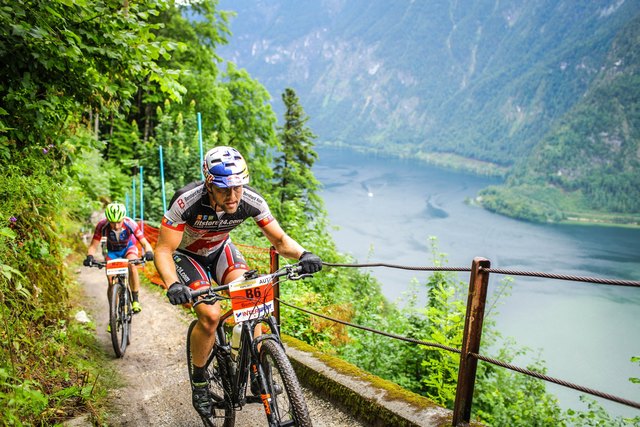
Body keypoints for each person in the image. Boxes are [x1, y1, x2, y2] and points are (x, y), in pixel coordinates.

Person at [153, 146, 322, 418]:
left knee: (253, 301)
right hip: (187, 256)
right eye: (224, 190)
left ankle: (257, 370)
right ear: (209, 184)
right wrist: (173, 284)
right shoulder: (186, 201)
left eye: (238, 188)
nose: (233, 197)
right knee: (210, 315)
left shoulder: (251, 200)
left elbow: (279, 240)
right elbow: (162, 250)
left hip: (222, 251)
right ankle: (199, 381)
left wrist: (304, 254)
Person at [83, 202, 154, 315]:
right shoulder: (102, 225)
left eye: (119, 222)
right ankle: (113, 313)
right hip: (112, 252)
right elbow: (93, 245)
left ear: (123, 218)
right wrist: (89, 256)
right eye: (112, 222)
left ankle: (135, 300)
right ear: (107, 220)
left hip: (128, 248)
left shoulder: (131, 223)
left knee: (132, 265)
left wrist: (149, 252)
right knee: (111, 282)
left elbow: (144, 242)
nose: (116, 226)